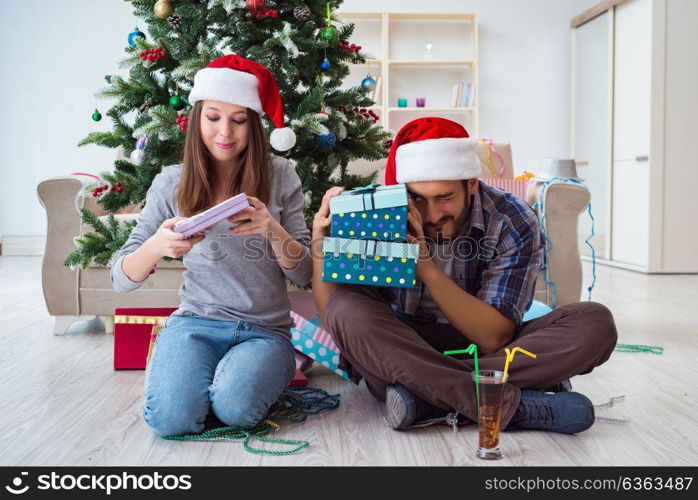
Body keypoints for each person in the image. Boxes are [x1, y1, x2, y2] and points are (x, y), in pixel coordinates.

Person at [311, 117, 617, 433]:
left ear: (471, 183)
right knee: (348, 310)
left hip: (478, 348)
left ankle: (427, 396)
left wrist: (426, 267)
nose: (432, 215)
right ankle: (511, 406)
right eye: (418, 198)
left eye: (445, 197)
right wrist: (320, 244)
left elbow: (493, 336)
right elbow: (334, 317)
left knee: (594, 323)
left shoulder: (512, 219)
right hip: (402, 339)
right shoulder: (380, 212)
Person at [111, 54, 310, 436]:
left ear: (253, 126)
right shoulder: (172, 182)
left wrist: (270, 227)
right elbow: (123, 278)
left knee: (237, 410)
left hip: (265, 331)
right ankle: (203, 382)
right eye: (213, 117)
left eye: (238, 121)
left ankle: (244, 380)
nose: (225, 133)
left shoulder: (280, 175)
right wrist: (158, 245)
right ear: (197, 118)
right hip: (194, 325)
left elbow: (303, 274)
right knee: (170, 421)